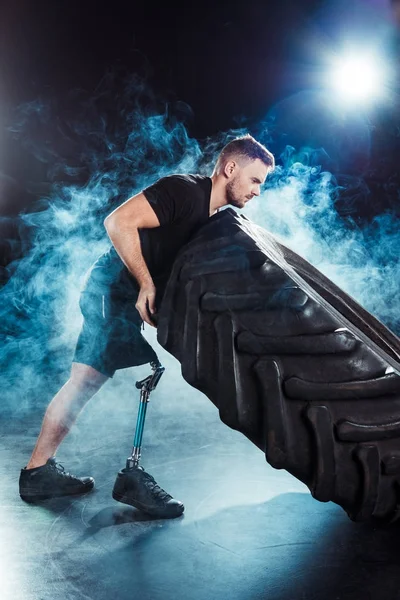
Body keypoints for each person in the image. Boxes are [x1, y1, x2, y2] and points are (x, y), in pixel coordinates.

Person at [19, 134, 275, 518]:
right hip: (110, 291)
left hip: (123, 298)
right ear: (231, 168)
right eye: (255, 180)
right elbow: (118, 221)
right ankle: (130, 479)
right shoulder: (184, 191)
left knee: (84, 384)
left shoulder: (214, 219)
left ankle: (38, 472)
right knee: (121, 375)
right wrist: (145, 283)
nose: (258, 192)